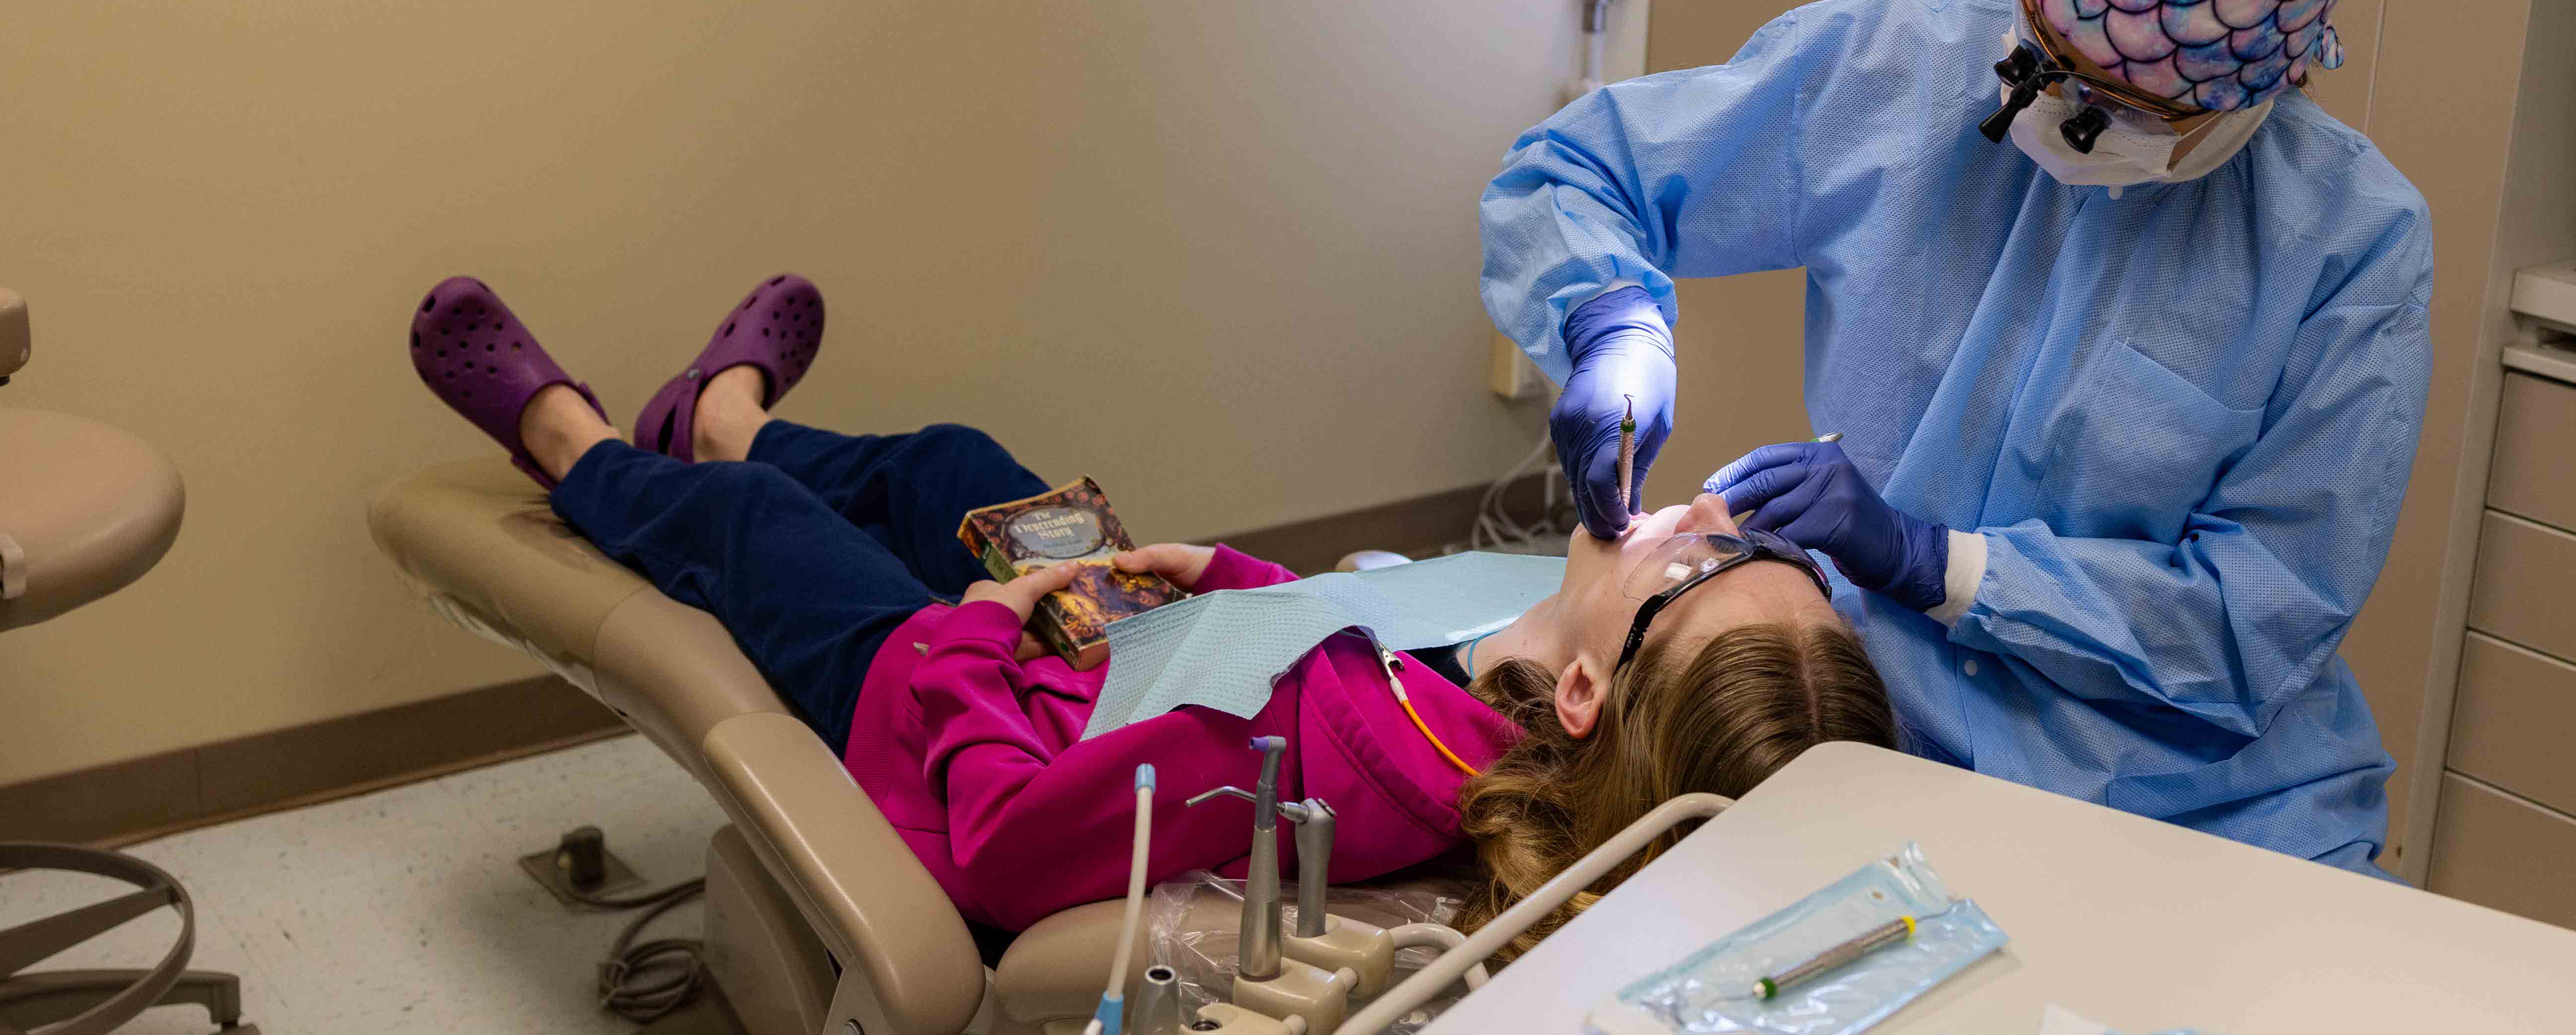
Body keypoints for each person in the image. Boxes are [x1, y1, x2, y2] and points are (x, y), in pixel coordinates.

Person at [407, 274, 1891, 935]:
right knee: (959, 469)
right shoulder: (1471, 709)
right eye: (1765, 539)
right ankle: (721, 418)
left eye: (1699, 563)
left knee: (752, 532)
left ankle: (581, 440)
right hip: (1105, 649)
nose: (1703, 507)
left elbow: (998, 847)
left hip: (924, 707)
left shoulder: (1287, 772)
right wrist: (1230, 585)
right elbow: (1340, 648)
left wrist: (986, 640)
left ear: (1587, 696)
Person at [1479, 0, 2426, 873]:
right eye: (2040, 60)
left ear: (2255, 92)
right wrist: (1612, 318)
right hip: (1884, 757)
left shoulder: (2343, 244)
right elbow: (1577, 170)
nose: (2052, 108)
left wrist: (1949, 565)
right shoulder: (1897, 74)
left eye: (2111, 102)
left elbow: (2257, 612)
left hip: (2209, 810)